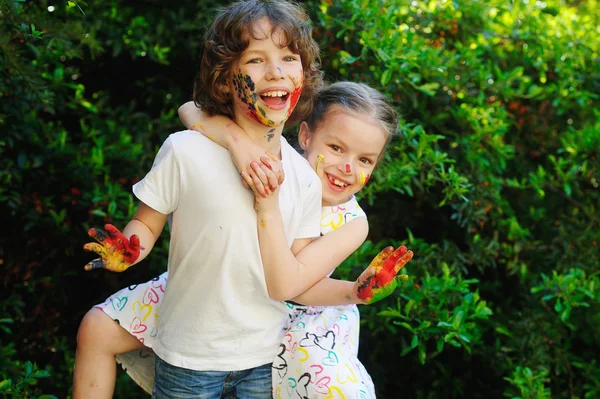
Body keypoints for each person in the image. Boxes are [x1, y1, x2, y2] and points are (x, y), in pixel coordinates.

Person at [75, 81, 413, 399]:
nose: (347, 167)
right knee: (97, 329)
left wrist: (355, 291)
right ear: (306, 135)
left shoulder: (352, 224)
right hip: (213, 283)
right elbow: (190, 109)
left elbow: (295, 287)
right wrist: (235, 141)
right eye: (336, 148)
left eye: (365, 160)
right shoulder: (264, 162)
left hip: (296, 313)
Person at [73, 1, 326, 398]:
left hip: (264, 361)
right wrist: (130, 248)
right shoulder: (184, 151)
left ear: (303, 75)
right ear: (225, 81)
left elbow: (296, 278)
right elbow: (147, 223)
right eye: (256, 60)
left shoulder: (306, 181)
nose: (276, 71)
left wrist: (353, 290)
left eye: (288, 58)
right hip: (187, 359)